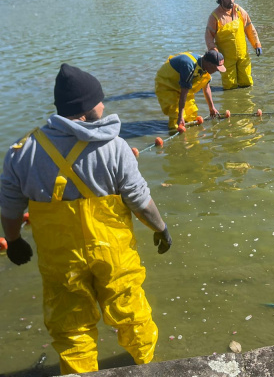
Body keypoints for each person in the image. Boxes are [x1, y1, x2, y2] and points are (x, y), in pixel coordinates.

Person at [0, 64, 172, 375]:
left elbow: (10, 209)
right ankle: (148, 367)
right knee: (132, 313)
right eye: (99, 100)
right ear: (85, 108)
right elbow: (140, 203)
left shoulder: (21, 152)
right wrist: (161, 228)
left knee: (71, 328)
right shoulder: (115, 147)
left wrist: (13, 241)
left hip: (61, 260)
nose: (104, 106)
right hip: (113, 255)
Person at [205, 0, 263, 90]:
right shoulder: (214, 16)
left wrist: (257, 44)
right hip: (226, 58)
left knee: (247, 83)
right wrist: (214, 52)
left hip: (242, 54)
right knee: (229, 87)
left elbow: (250, 29)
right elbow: (209, 37)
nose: (231, 1)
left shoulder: (239, 11)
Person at [155, 50, 225, 130]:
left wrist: (211, 108)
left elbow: (206, 87)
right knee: (176, 114)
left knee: (191, 113)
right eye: (216, 69)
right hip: (167, 84)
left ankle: (192, 137)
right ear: (209, 64)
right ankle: (175, 133)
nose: (217, 71)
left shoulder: (204, 64)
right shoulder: (189, 67)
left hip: (181, 83)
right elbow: (184, 93)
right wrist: (180, 116)